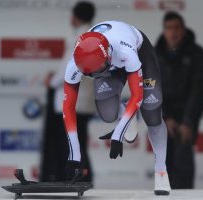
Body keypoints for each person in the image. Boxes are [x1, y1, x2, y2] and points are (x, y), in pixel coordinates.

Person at [63, 20, 171, 195]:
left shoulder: (126, 52)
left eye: (99, 71)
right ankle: (126, 115)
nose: (97, 76)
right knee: (107, 112)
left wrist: (118, 135)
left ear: (108, 56)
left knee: (151, 111)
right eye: (91, 75)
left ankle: (161, 170)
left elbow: (137, 95)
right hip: (109, 62)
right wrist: (74, 154)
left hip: (140, 54)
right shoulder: (74, 64)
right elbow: (68, 108)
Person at [40, 1, 96, 182]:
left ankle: (77, 180)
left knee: (71, 146)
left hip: (73, 102)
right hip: (82, 101)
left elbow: (69, 69)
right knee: (77, 144)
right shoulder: (92, 36)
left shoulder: (81, 37)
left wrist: (51, 81)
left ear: (76, 17)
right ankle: (80, 179)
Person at [155, 11, 203, 189]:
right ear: (164, 31)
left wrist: (188, 122)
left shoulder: (196, 53)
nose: (173, 32)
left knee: (183, 164)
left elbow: (198, 90)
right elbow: (152, 90)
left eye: (177, 27)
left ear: (184, 30)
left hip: (187, 117)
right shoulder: (155, 54)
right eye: (169, 28)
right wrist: (165, 117)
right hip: (163, 119)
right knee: (163, 165)